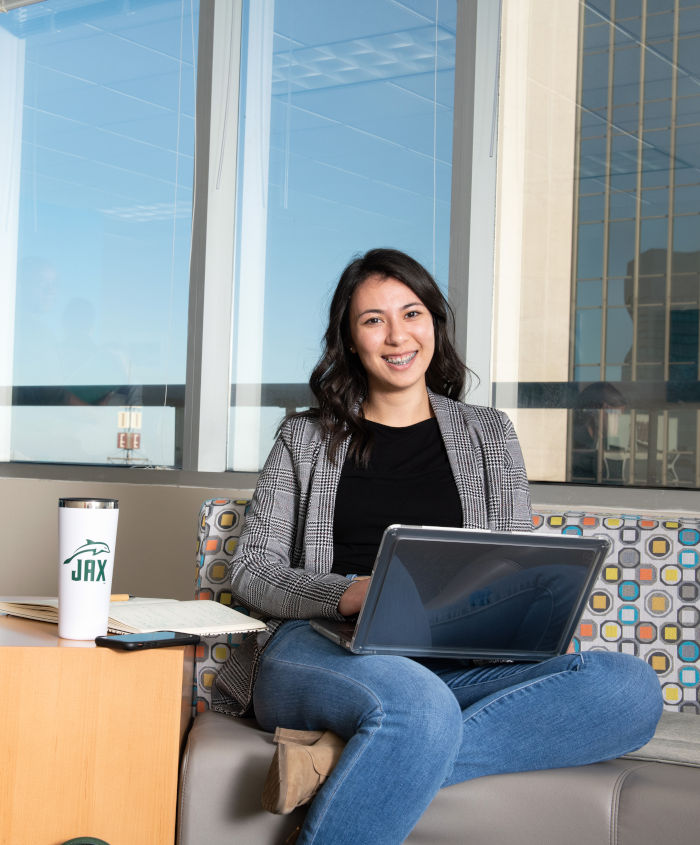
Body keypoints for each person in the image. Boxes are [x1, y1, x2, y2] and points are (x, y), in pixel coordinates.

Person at [213, 248, 662, 845]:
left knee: (628, 689)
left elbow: (516, 563)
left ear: (434, 324)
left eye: (412, 313)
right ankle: (398, 738)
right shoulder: (306, 437)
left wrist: (527, 598)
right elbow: (251, 572)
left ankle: (347, 760)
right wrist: (350, 593)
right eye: (373, 320)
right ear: (350, 339)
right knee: (418, 705)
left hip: (457, 660)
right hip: (323, 648)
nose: (397, 335)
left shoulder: (489, 434)